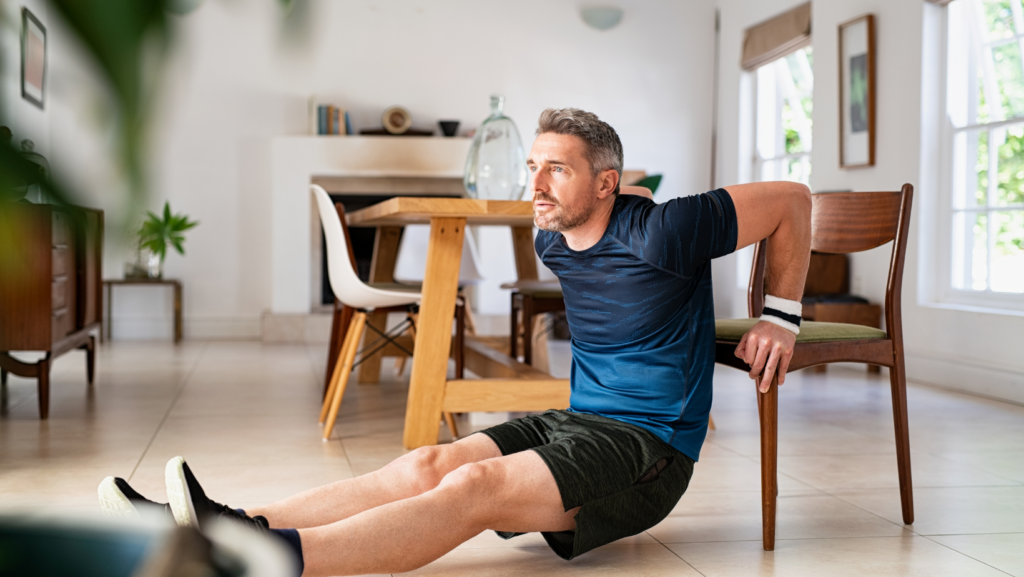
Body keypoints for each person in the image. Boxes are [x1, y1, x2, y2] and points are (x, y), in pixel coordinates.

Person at [98, 108, 811, 577]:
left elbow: (791, 201)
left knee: (472, 486)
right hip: (579, 419)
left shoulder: (666, 227)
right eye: (532, 165)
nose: (535, 183)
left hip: (649, 449)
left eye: (555, 168)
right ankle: (224, 525)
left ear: (607, 183)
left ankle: (269, 559)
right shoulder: (551, 234)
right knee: (428, 462)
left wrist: (781, 315)